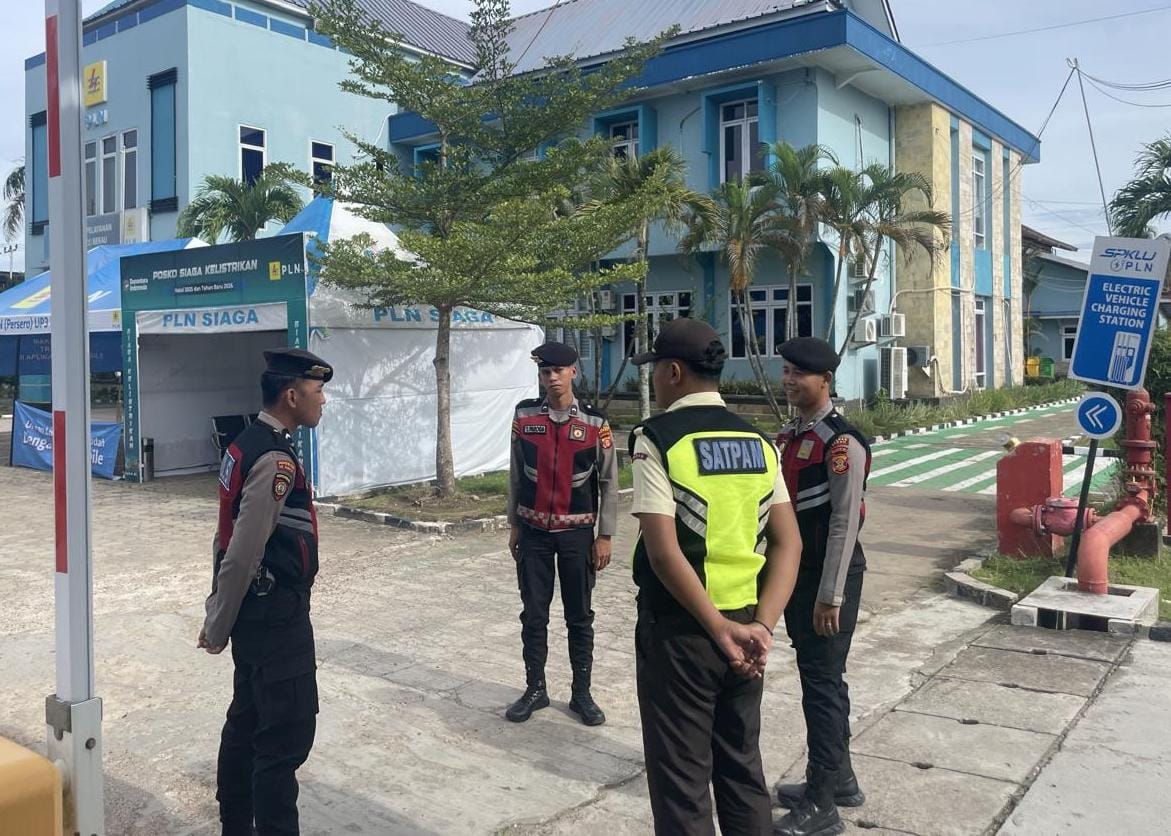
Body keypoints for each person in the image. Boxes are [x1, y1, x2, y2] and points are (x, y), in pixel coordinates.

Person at [628, 317, 802, 836]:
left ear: (673, 372)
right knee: (742, 769)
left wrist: (715, 628)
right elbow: (788, 542)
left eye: (656, 370)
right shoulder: (759, 442)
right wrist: (762, 626)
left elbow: (664, 554)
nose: (654, 380)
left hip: (682, 633)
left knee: (682, 783)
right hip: (748, 632)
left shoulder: (656, 438)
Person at [197, 347, 332, 836]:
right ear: (291, 396)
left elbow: (223, 537)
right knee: (285, 739)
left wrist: (222, 608)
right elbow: (242, 550)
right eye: (317, 391)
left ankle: (235, 824)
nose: (323, 401)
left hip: (257, 615)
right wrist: (217, 623)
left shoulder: (244, 443)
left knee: (248, 722)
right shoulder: (274, 459)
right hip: (276, 618)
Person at [772, 337, 871, 836]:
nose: (790, 380)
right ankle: (839, 780)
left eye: (800, 373)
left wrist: (830, 595)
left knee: (822, 687)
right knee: (822, 679)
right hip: (800, 574)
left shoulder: (841, 443)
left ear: (825, 380)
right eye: (787, 371)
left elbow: (844, 523)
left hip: (828, 578)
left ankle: (822, 803)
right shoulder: (793, 435)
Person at [505, 341, 618, 726]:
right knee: (533, 615)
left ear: (573, 372)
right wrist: (514, 524)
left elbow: (609, 482)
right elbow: (515, 474)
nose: (551, 378)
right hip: (533, 532)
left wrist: (605, 535)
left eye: (558, 371)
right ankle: (535, 689)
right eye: (545, 372)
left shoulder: (595, 423)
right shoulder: (524, 416)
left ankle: (581, 693)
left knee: (579, 617)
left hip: (577, 534)